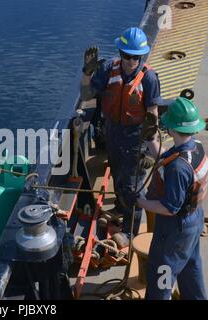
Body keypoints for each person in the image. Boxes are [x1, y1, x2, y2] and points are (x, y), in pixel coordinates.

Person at [80, 27, 161, 248]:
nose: (131, 61)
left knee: (133, 187)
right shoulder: (108, 69)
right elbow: (86, 95)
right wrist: (87, 73)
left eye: (136, 57)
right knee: (117, 173)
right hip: (112, 131)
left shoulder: (149, 78)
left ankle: (130, 232)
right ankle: (120, 206)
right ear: (120, 52)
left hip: (135, 137)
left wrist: (148, 151)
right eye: (127, 55)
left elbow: (152, 114)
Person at [136, 97, 208, 300]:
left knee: (162, 275)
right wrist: (152, 142)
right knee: (190, 268)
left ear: (172, 129)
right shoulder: (196, 148)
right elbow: (167, 158)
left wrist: (139, 201)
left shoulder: (178, 168)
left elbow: (170, 207)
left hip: (174, 230)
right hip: (194, 221)